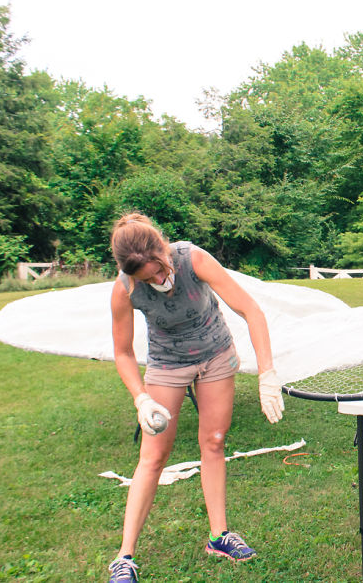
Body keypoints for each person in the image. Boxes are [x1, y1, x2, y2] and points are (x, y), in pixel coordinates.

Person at [106, 213, 285, 583]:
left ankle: (219, 537)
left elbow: (250, 310)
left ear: (163, 249)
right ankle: (124, 557)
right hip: (167, 365)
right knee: (153, 457)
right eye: (148, 279)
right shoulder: (124, 289)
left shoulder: (193, 259)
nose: (158, 280)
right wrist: (141, 399)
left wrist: (267, 372)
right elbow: (122, 352)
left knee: (214, 441)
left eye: (159, 270)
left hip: (216, 354)